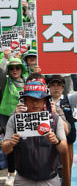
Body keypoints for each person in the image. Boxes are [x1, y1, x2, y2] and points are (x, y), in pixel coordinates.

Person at [2, 81, 70, 186]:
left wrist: (57, 141)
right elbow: (5, 149)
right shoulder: (14, 120)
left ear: (44, 101)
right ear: (24, 101)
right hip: (23, 179)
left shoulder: (56, 120)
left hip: (50, 179)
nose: (35, 103)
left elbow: (64, 148)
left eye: (38, 99)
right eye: (30, 99)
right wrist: (11, 143)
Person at [47, 69, 77, 170]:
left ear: (63, 88)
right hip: (49, 140)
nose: (56, 88)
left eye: (58, 85)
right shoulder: (44, 101)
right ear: (48, 88)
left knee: (66, 169)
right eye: (53, 85)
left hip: (67, 140)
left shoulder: (69, 99)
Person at [0, 56, 27, 185]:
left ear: (22, 69)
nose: (14, 70)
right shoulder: (5, 81)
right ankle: (11, 173)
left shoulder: (27, 81)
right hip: (7, 118)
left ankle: (22, 170)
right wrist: (5, 58)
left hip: (24, 117)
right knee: (10, 143)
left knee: (23, 144)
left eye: (17, 68)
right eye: (11, 68)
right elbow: (2, 71)